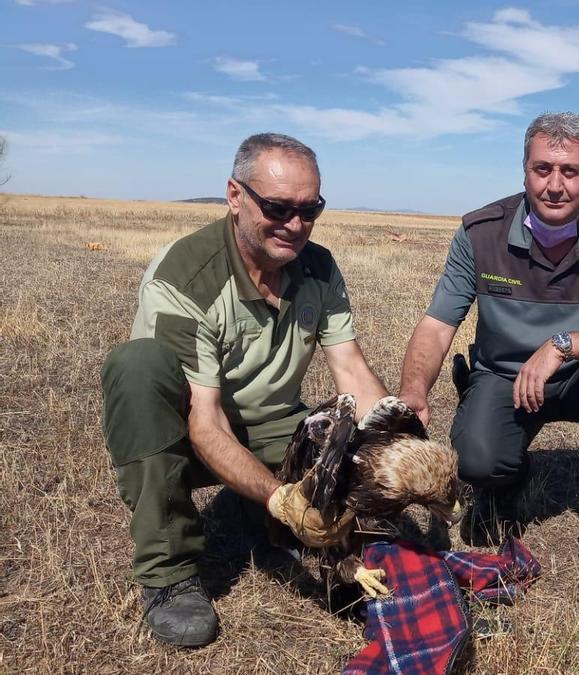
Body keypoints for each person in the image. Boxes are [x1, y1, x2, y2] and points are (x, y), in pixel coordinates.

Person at [100, 133, 388, 647]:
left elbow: (352, 374)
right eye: (277, 207)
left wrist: (396, 442)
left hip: (276, 425)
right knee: (137, 366)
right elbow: (205, 421)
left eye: (310, 209)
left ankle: (264, 518)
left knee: (345, 441)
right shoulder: (186, 278)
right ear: (235, 196)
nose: (296, 225)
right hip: (191, 430)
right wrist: (283, 499)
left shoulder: (318, 266)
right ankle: (168, 573)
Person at [397, 112, 579, 583]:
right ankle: (507, 479)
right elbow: (438, 323)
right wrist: (413, 394)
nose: (555, 185)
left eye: (570, 171)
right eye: (543, 169)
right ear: (524, 170)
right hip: (504, 377)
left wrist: (564, 345)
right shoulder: (480, 232)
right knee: (477, 461)